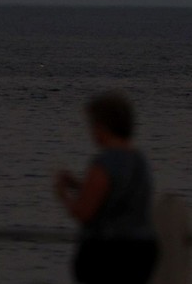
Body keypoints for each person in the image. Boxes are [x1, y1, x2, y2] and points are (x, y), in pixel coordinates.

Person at [56, 91, 158, 284]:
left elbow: (83, 213)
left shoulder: (105, 162)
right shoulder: (138, 160)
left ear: (102, 127)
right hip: (142, 250)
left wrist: (63, 194)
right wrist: (79, 185)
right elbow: (118, 192)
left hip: (108, 254)